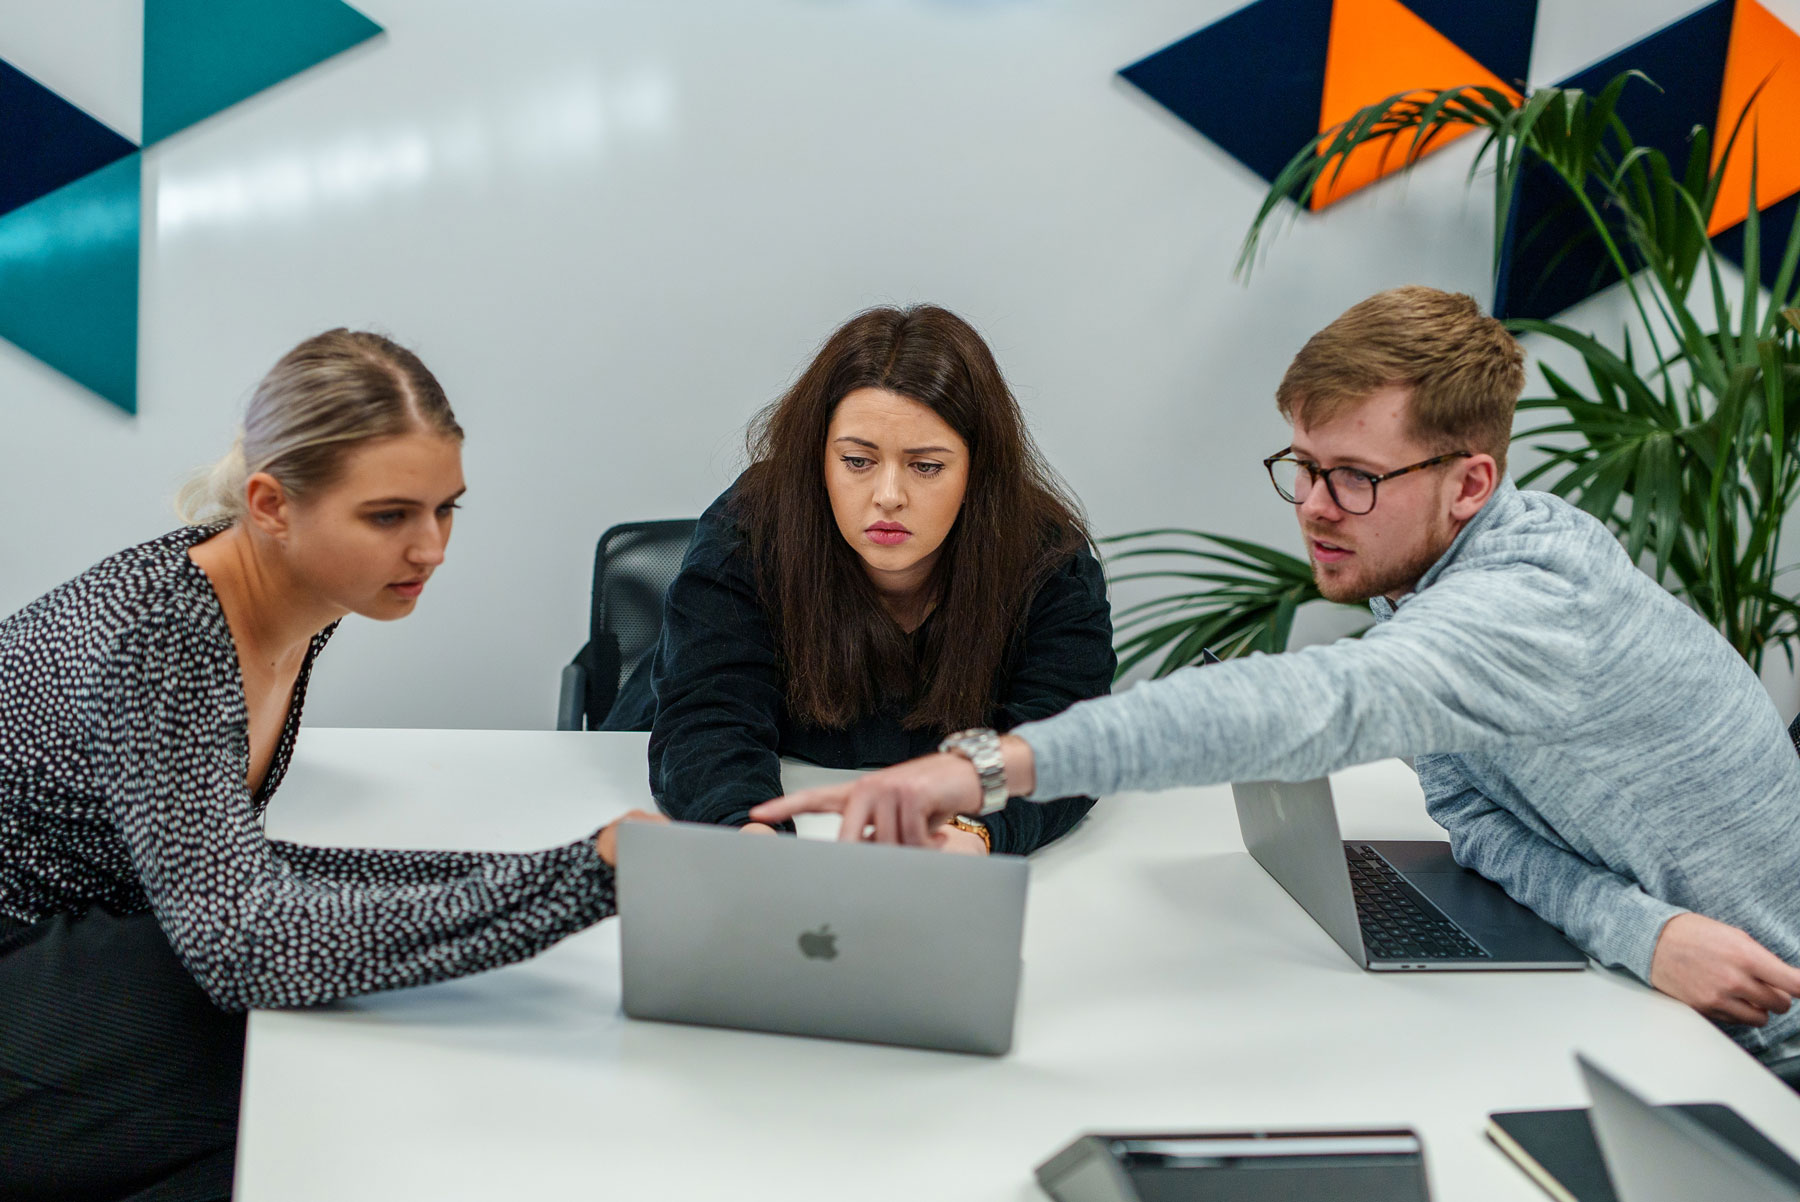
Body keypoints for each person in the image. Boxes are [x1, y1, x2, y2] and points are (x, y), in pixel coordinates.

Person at [754, 286, 1800, 1060]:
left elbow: (1310, 704)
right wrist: (1640, 927)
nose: (1312, 505)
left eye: (1355, 475)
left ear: (1472, 480)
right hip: (1686, 993)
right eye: (1303, 465)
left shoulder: (1527, 606)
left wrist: (978, 768)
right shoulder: (1430, 585)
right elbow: (1479, 825)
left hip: (1769, 1041)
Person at [0, 330, 657, 1201]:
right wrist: (578, 878)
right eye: (390, 516)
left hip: (91, 940)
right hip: (30, 968)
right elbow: (247, 942)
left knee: (356, 1065)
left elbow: (241, 879)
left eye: (446, 508)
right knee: (328, 1099)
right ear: (271, 504)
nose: (432, 549)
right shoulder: (162, 636)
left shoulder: (296, 598)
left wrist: (585, 865)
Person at [606, 304, 1114, 855]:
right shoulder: (747, 533)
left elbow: (1061, 742)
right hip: (775, 810)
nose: (889, 495)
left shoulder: (1048, 560)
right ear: (818, 459)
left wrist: (975, 835)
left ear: (977, 472)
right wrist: (747, 837)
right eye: (856, 461)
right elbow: (711, 721)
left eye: (926, 467)